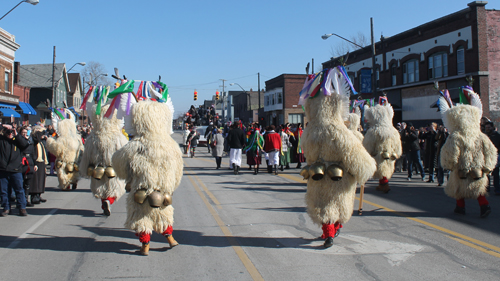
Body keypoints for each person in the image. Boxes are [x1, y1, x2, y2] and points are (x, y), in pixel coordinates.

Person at [112, 100, 183, 256]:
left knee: (141, 216)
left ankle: (145, 245)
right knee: (163, 213)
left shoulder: (135, 144)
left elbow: (120, 166)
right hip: (163, 190)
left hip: (141, 188)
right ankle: (170, 238)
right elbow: (178, 171)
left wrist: (128, 175)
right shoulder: (171, 145)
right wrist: (171, 186)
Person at [439, 88, 495, 218]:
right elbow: (491, 151)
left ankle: (460, 207)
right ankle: (484, 205)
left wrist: (449, 165)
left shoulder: (455, 136)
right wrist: (488, 166)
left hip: (461, 167)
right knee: (478, 187)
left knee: (458, 187)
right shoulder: (480, 136)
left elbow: (451, 152)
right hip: (477, 167)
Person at [363, 103, 402, 194]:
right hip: (390, 154)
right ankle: (382, 185)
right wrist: (396, 153)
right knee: (385, 169)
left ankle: (384, 185)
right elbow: (398, 146)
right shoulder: (394, 131)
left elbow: (368, 145)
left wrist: (368, 153)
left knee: (381, 169)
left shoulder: (373, 131)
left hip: (378, 154)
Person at [0, 123, 30, 216]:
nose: (9, 134)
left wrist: (15, 133)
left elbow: (25, 145)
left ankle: (22, 207)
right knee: (4, 190)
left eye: (11, 132)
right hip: (3, 169)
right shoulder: (1, 140)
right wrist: (3, 126)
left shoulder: (17, 140)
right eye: (7, 132)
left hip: (16, 169)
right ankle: (6, 208)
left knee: (19, 189)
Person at [30, 126, 48, 204]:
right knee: (35, 180)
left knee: (41, 180)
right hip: (36, 162)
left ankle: (39, 195)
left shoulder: (41, 141)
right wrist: (37, 132)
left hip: (41, 162)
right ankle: (34, 196)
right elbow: (36, 139)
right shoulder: (33, 140)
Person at [18, 126, 36, 207]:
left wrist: (35, 164)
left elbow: (33, 153)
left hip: (29, 161)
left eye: (26, 133)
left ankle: (26, 199)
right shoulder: (18, 141)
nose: (25, 134)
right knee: (20, 183)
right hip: (21, 162)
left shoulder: (30, 141)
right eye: (23, 133)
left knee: (27, 183)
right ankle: (20, 200)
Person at [484, 121, 500, 195]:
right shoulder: (484, 136)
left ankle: (497, 189)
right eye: (486, 127)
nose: (487, 129)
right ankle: (487, 188)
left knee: (495, 173)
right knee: (486, 173)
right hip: (486, 156)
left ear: (492, 127)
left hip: (495, 156)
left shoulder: (497, 135)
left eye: (489, 127)